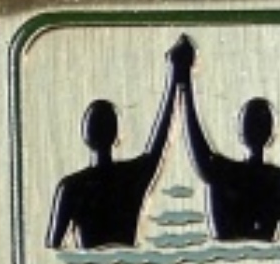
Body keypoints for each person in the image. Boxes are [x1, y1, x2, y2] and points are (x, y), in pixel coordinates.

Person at [44, 43, 182, 250]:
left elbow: (53, 248)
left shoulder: (71, 188)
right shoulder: (132, 177)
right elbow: (160, 141)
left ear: (85, 137)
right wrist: (174, 78)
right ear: (116, 136)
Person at [176, 36, 280, 244]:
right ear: (271, 134)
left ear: (241, 133)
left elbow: (196, 143)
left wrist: (185, 80)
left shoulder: (225, 174)